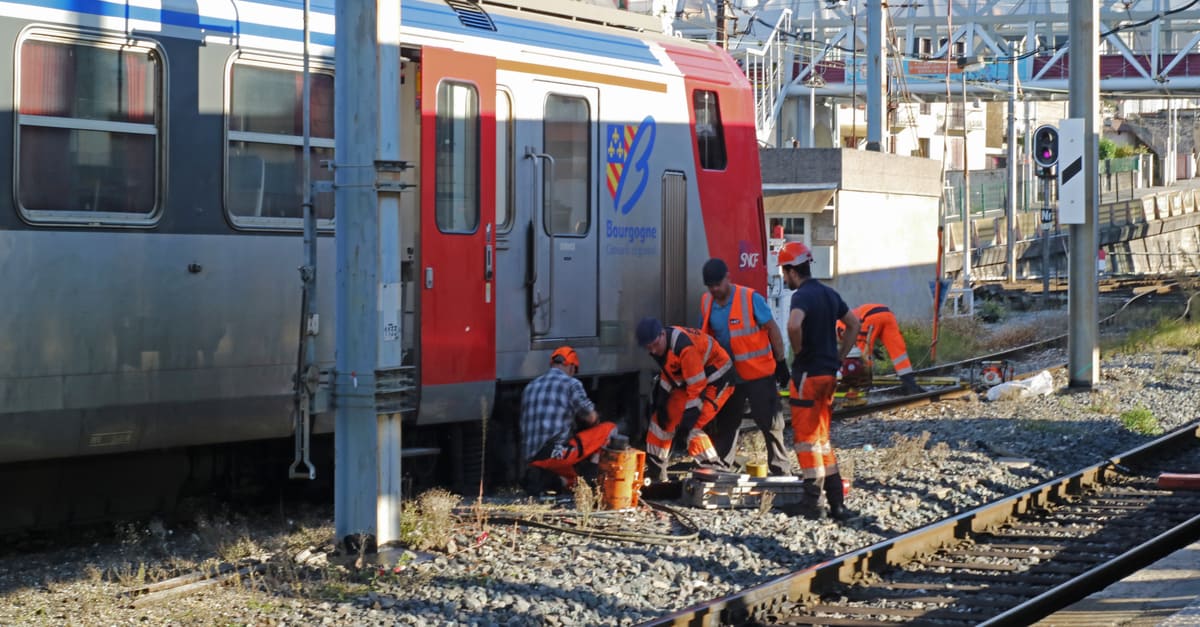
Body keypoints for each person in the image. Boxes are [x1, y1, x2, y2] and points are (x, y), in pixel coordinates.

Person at [778, 241, 861, 521]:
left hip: (808, 376)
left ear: (791, 270)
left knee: (805, 439)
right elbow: (854, 324)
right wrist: (839, 356)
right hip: (828, 374)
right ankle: (836, 503)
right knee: (822, 440)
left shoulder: (802, 296)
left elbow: (792, 325)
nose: (783, 277)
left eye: (784, 271)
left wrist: (800, 351)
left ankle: (812, 503)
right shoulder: (829, 294)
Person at [698, 258, 792, 476]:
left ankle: (781, 471)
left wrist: (781, 362)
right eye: (710, 286)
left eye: (718, 284)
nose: (714, 289)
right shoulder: (706, 302)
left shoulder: (750, 299)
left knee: (770, 423)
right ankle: (722, 468)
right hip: (729, 376)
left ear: (728, 278)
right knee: (726, 424)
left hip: (758, 374)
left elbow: (773, 329)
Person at [635, 317, 734, 483]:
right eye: (648, 348)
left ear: (661, 335)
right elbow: (672, 374)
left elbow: (697, 389)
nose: (652, 351)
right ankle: (656, 472)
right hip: (693, 381)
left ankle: (715, 471)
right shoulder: (662, 345)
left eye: (654, 345)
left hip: (717, 379)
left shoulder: (684, 347)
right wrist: (661, 403)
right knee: (660, 422)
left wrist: (686, 424)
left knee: (693, 428)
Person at [520, 346, 617, 495]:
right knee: (609, 429)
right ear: (571, 367)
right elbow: (591, 417)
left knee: (575, 482)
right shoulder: (571, 384)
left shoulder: (530, 387)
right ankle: (592, 479)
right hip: (555, 453)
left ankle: (548, 480)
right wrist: (596, 418)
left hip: (532, 458)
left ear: (552, 364)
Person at [839, 304, 926, 394]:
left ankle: (865, 388)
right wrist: (872, 349)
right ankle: (911, 385)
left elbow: (854, 344)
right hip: (887, 314)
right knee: (899, 354)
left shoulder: (838, 326)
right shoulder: (844, 317)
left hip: (869, 317)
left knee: (862, 357)